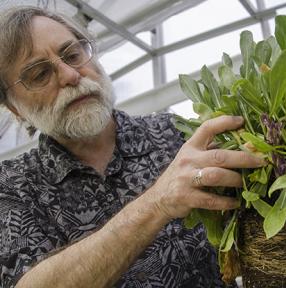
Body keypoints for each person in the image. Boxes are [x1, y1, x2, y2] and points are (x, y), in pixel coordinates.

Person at [0, 6, 264, 288]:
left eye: (73, 55)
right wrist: (158, 201)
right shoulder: (13, 186)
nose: (70, 75)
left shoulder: (176, 133)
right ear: (15, 108)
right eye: (40, 74)